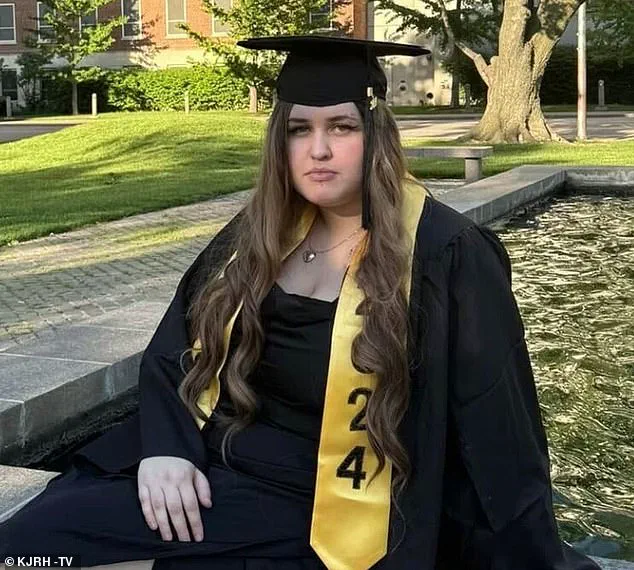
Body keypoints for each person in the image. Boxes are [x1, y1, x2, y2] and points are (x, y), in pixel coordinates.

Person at [0, 35, 601, 570]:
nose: (318, 150)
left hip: (334, 501)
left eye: (341, 127)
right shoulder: (256, 234)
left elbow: (498, 426)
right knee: (27, 544)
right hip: (211, 463)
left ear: (376, 135)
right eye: (298, 130)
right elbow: (173, 351)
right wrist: (165, 449)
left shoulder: (447, 253)